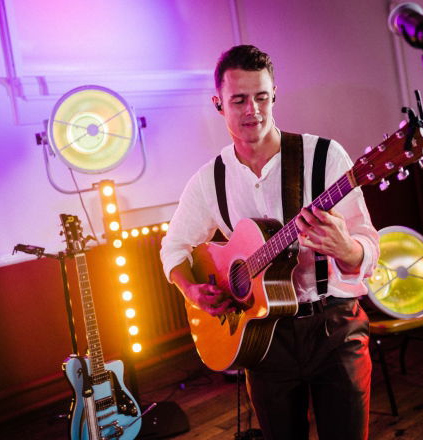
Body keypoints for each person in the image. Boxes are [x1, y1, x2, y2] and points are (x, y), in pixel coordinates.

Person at [160, 45, 380, 440]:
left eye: (261, 97)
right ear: (218, 104)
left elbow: (368, 246)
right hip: (263, 340)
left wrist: (346, 248)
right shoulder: (209, 180)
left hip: (333, 328)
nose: (253, 110)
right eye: (239, 100)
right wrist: (191, 289)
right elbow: (173, 247)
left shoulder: (324, 157)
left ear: (274, 94)